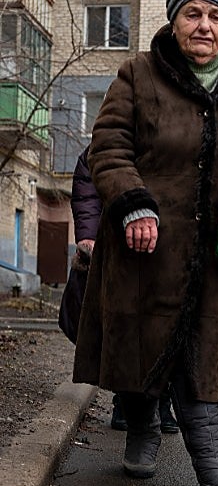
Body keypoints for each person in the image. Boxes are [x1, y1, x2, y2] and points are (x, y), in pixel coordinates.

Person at [73, 0, 218, 486]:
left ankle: (211, 463)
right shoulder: (138, 74)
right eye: (192, 13)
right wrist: (132, 203)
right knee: (144, 338)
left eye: (216, 16)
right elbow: (108, 147)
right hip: (146, 238)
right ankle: (143, 426)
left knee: (203, 346)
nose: (204, 25)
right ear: (173, 22)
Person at [59, 148, 177, 434]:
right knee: (123, 329)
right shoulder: (108, 141)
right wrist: (88, 236)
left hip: (168, 244)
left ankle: (162, 400)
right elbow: (87, 189)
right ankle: (127, 402)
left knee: (167, 327)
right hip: (117, 245)